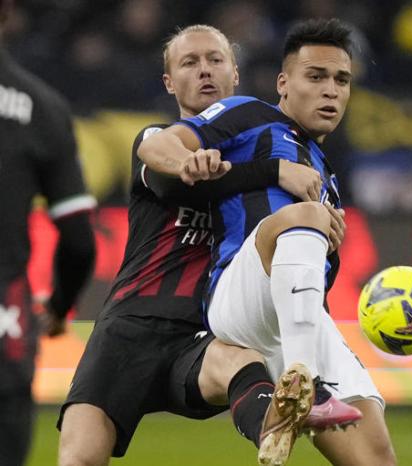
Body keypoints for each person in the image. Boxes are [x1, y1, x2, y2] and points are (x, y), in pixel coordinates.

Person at [57, 25, 328, 466]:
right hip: (130, 327)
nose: (205, 70)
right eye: (189, 62)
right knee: (79, 459)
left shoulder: (267, 149)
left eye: (215, 60)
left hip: (203, 333)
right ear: (169, 82)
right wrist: (271, 172)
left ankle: (273, 434)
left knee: (242, 365)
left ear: (235, 74)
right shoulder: (157, 140)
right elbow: (173, 183)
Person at [139, 18, 397, 465]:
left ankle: (298, 386)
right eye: (315, 77)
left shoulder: (324, 172)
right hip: (241, 296)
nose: (330, 91)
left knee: (376, 458)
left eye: (341, 80)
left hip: (300, 321)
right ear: (283, 83)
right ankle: (305, 386)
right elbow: (156, 146)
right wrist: (186, 161)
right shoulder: (249, 115)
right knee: (304, 217)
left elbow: (309, 276)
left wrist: (329, 244)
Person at [0, 1, 97, 464]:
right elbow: (79, 240)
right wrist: (59, 306)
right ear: (7, 15)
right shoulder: (43, 108)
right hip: (7, 326)